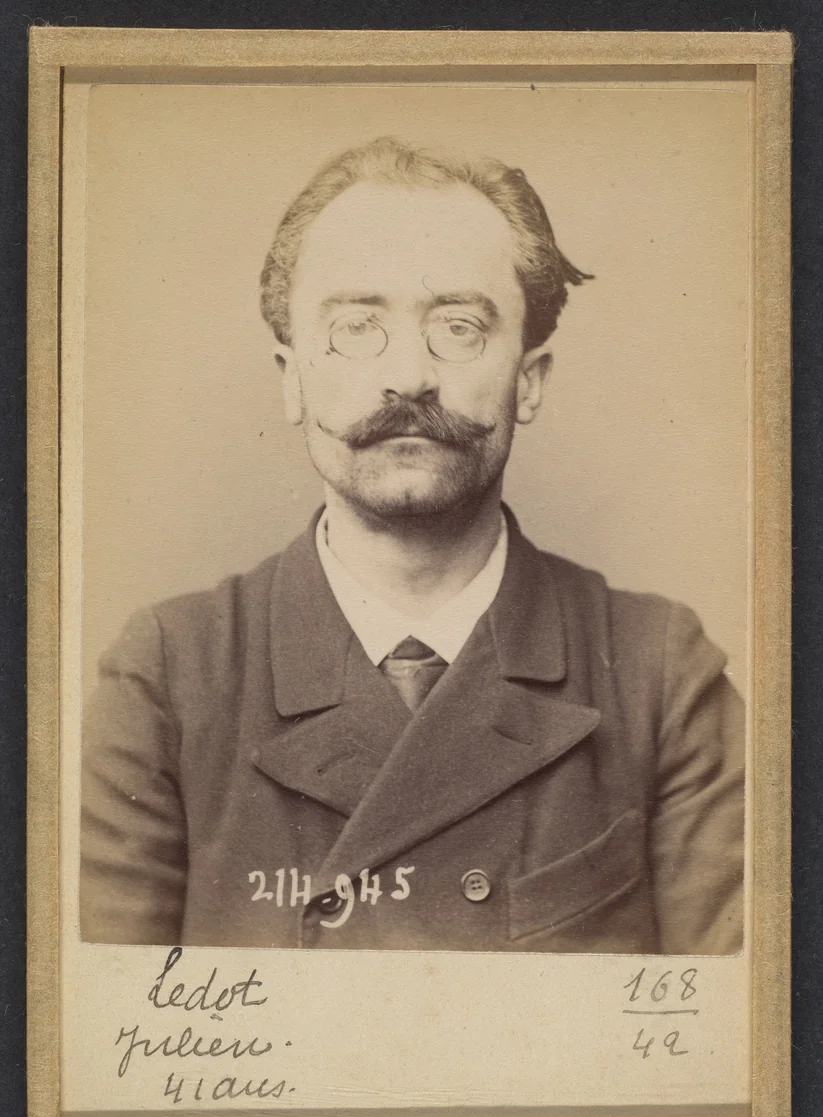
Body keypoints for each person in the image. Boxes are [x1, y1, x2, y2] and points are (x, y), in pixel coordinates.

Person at [80, 137, 744, 953]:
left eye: (458, 327)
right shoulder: (168, 677)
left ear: (528, 380)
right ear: (291, 376)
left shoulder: (660, 675)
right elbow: (103, 1052)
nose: (409, 374)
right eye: (357, 326)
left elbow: (730, 1046)